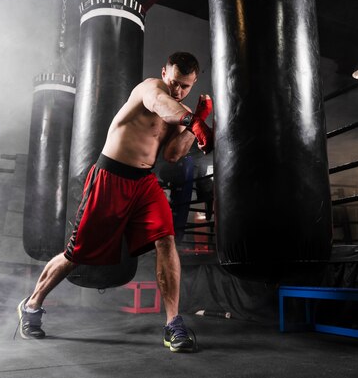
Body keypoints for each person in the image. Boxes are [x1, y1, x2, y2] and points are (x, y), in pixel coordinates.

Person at [17, 52, 213, 353]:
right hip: (110, 177)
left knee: (166, 239)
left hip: (144, 183)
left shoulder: (182, 111)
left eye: (185, 87)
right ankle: (32, 305)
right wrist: (191, 119)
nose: (178, 92)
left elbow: (173, 154)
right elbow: (163, 105)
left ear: (194, 83)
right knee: (76, 252)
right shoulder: (151, 89)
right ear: (164, 73)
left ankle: (174, 324)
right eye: (174, 83)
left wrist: (194, 123)